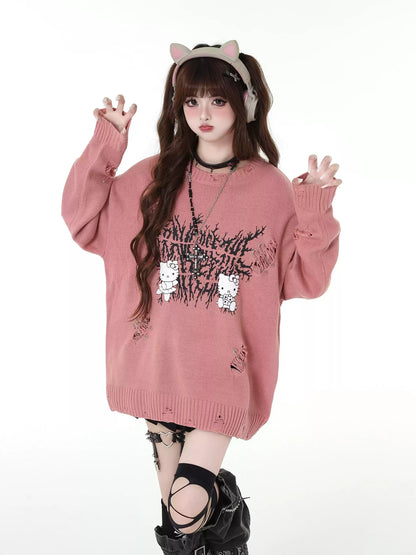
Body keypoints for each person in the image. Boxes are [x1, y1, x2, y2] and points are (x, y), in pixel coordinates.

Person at [61, 39, 342, 555]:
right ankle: (224, 531)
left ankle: (224, 510)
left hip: (222, 376)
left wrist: (314, 208)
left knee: (184, 507)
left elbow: (307, 278)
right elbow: (82, 220)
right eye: (191, 101)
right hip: (155, 366)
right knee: (179, 522)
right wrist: (108, 143)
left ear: (245, 104)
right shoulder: (151, 178)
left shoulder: (271, 188)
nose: (203, 114)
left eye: (217, 100)